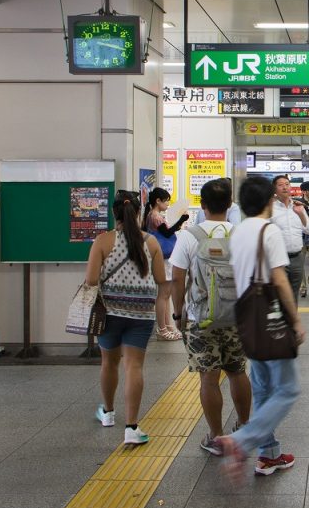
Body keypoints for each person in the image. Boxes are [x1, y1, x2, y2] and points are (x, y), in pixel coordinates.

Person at [216, 176, 305, 479]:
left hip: (247, 319)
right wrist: (296, 321)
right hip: (270, 319)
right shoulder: (269, 231)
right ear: (270, 200)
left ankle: (269, 455)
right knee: (288, 389)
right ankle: (241, 442)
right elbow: (279, 280)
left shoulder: (239, 232)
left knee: (264, 388)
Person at [170, 179, 251, 456]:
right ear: (229, 204)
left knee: (209, 377)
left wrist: (178, 312)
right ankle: (245, 427)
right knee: (238, 371)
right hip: (236, 317)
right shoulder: (240, 235)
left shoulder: (189, 236)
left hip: (199, 318)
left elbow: (177, 278)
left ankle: (217, 437)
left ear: (202, 206)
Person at [87, 190, 167, 446]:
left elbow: (90, 280)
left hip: (109, 312)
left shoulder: (102, 241)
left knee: (109, 363)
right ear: (138, 212)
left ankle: (109, 414)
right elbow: (160, 279)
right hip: (141, 314)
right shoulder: (151, 242)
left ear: (114, 213)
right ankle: (132, 427)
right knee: (134, 366)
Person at [142, 187, 189, 341]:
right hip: (164, 258)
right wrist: (181, 220)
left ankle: (168, 326)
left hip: (163, 257)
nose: (168, 203)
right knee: (163, 295)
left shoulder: (151, 216)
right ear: (158, 201)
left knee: (166, 294)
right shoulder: (155, 216)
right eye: (166, 200)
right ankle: (162, 329)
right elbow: (167, 233)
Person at [269, 175, 309, 304]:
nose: (285, 187)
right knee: (279, 295)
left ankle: (291, 322)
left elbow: (308, 229)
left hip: (297, 257)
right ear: (274, 189)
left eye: (287, 184)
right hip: (278, 259)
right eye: (280, 185)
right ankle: (281, 323)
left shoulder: (298, 207)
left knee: (293, 295)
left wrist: (301, 214)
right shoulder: (271, 209)